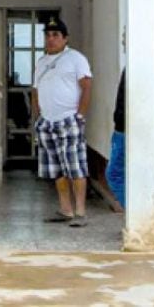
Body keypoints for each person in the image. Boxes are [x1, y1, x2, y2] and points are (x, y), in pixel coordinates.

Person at [32, 17, 93, 228]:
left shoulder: (76, 58)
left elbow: (86, 86)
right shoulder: (41, 63)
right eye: (48, 35)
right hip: (47, 122)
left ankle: (80, 212)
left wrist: (80, 115)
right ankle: (65, 210)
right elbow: (35, 91)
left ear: (65, 38)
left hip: (68, 120)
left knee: (75, 167)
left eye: (56, 35)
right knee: (56, 169)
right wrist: (37, 116)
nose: (51, 39)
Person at [106, 68, 126, 209]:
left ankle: (134, 212)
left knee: (114, 174)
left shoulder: (133, 67)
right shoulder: (131, 67)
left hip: (124, 129)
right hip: (122, 128)